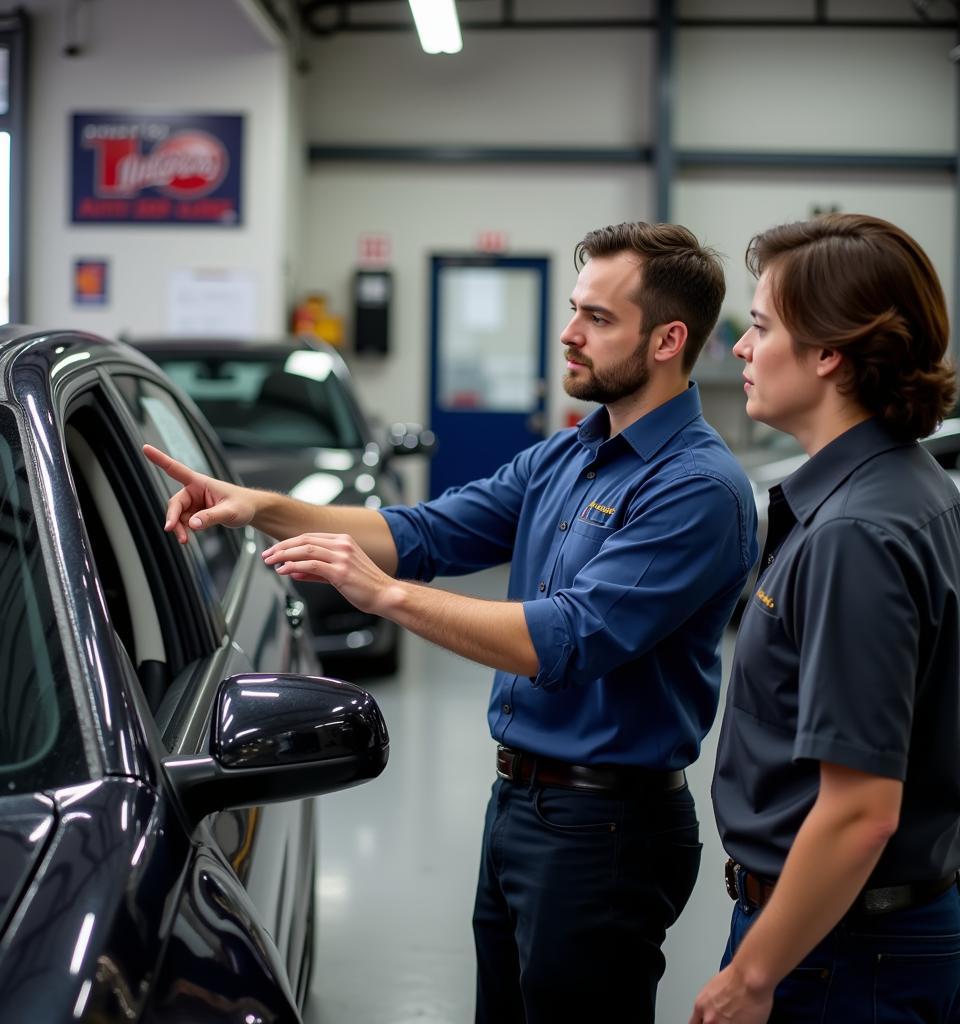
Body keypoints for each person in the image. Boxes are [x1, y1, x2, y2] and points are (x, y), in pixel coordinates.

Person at [144, 221, 758, 1023]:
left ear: (669, 339)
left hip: (606, 830)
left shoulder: (695, 488)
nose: (569, 335)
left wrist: (387, 597)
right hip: (521, 806)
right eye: (574, 310)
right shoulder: (570, 454)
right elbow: (422, 532)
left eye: (598, 319)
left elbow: (568, 639)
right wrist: (258, 507)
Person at [690, 213, 960, 1024]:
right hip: (863, 932)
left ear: (829, 353)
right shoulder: (905, 488)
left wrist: (754, 974)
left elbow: (859, 810)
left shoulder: (855, 535)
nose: (740, 346)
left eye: (762, 326)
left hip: (840, 953)